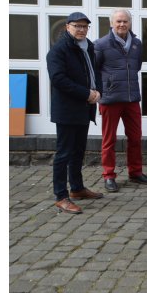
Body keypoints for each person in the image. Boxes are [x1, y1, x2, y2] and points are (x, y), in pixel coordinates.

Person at [46, 12, 104, 214]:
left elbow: (95, 72)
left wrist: (98, 91)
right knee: (64, 153)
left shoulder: (88, 46)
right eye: (77, 26)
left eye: (84, 26)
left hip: (84, 107)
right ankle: (61, 196)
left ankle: (77, 188)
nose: (81, 29)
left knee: (78, 151)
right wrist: (86, 93)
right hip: (67, 110)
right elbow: (58, 79)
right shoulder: (59, 50)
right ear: (67, 27)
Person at [94, 9, 147, 192]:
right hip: (110, 99)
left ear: (130, 23)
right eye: (118, 21)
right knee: (109, 140)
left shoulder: (136, 43)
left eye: (125, 21)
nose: (122, 24)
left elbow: (135, 67)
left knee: (135, 137)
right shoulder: (101, 44)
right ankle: (108, 175)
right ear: (111, 23)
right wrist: (101, 91)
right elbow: (95, 71)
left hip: (131, 98)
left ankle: (135, 172)